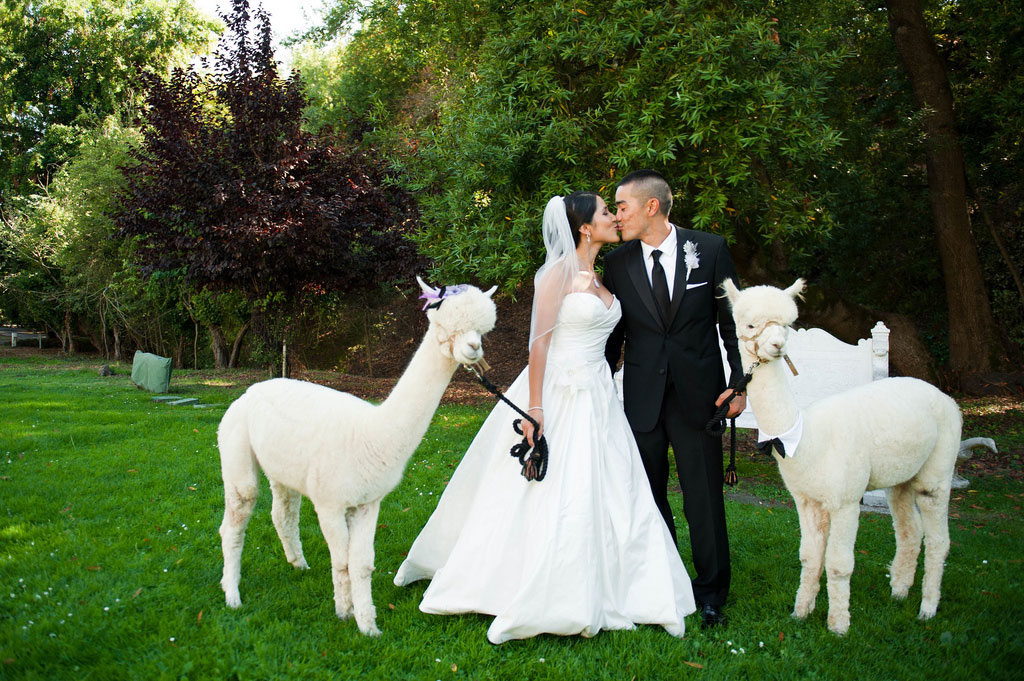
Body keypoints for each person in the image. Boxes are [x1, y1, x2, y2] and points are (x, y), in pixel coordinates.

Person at [394, 192, 696, 644]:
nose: (614, 217)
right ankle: (532, 583)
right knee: (554, 490)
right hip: (557, 390)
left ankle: (630, 585)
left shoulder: (605, 275)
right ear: (584, 228)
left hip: (599, 394)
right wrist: (535, 409)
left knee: (614, 486)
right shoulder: (555, 274)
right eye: (605, 212)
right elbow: (539, 344)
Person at [602, 169, 744, 629]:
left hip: (699, 396)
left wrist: (739, 383)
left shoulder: (711, 250)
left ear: (651, 206)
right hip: (641, 396)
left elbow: (732, 322)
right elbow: (614, 336)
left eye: (621, 206)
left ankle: (711, 594)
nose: (616, 215)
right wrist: (600, 387)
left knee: (703, 496)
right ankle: (663, 583)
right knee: (648, 495)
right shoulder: (618, 264)